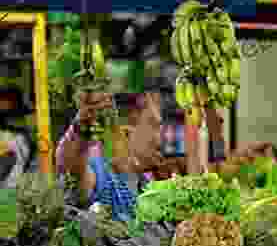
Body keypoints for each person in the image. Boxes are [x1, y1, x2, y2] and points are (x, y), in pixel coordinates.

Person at [56, 91, 185, 222]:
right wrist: (82, 124)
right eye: (155, 126)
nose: (162, 138)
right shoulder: (100, 174)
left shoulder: (146, 187)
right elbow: (68, 167)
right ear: (126, 132)